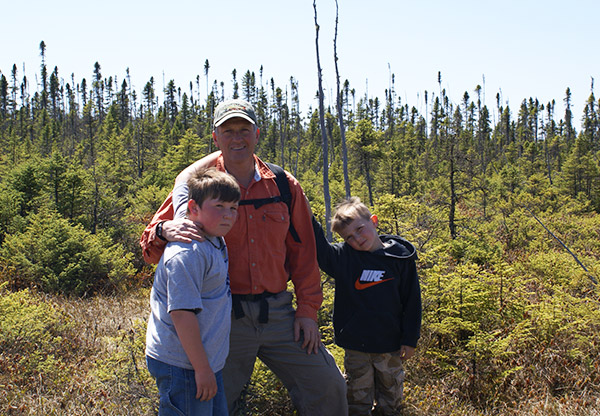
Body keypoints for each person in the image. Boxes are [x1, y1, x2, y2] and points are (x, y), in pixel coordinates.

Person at [140, 99, 347, 415]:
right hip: (224, 318)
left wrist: (307, 311)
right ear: (216, 137)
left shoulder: (283, 185)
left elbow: (304, 253)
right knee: (216, 401)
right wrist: (165, 229)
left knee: (327, 385)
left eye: (243, 130)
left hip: (279, 313)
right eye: (228, 131)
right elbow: (150, 250)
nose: (237, 138)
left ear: (257, 133)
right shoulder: (201, 185)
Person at [312, 197, 422, 416]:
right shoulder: (344, 258)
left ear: (374, 221)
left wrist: (410, 340)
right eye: (349, 237)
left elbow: (412, 302)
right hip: (357, 347)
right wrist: (306, 213)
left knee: (390, 401)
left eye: (360, 229)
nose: (357, 239)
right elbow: (321, 250)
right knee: (357, 400)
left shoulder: (400, 258)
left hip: (390, 347)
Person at [145, 167, 241, 416]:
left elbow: (182, 182)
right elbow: (182, 313)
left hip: (204, 362)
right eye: (219, 206)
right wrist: (202, 369)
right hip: (183, 365)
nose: (228, 215)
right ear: (194, 208)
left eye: (233, 208)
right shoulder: (187, 252)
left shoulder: (209, 231)